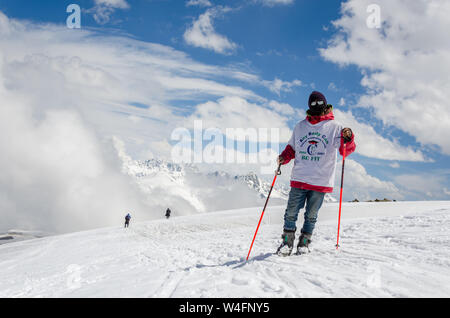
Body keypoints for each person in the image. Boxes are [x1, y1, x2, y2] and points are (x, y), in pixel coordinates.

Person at [276, 91, 356, 256]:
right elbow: (292, 147)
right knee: (290, 212)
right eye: (313, 104)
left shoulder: (336, 127)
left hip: (321, 180)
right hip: (299, 177)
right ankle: (287, 243)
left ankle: (304, 242)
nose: (317, 107)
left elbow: (345, 150)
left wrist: (348, 138)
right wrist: (284, 157)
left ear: (325, 105)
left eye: (320, 104)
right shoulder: (300, 126)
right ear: (309, 106)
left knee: (311, 215)